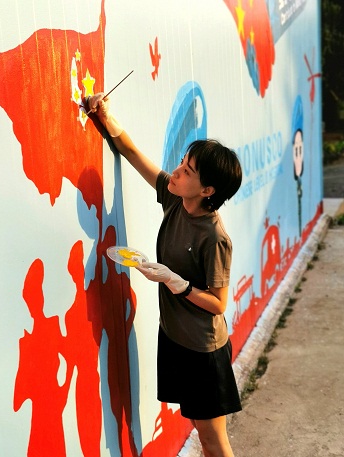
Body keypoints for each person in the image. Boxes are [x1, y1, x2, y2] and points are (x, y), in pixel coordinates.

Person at [84, 92, 243, 457]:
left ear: (207, 190)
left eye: (187, 171)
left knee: (213, 439)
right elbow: (131, 153)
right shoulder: (175, 197)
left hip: (203, 349)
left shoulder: (215, 237)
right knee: (200, 431)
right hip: (174, 336)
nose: (177, 170)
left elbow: (218, 304)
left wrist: (176, 283)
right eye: (182, 162)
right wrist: (104, 115)